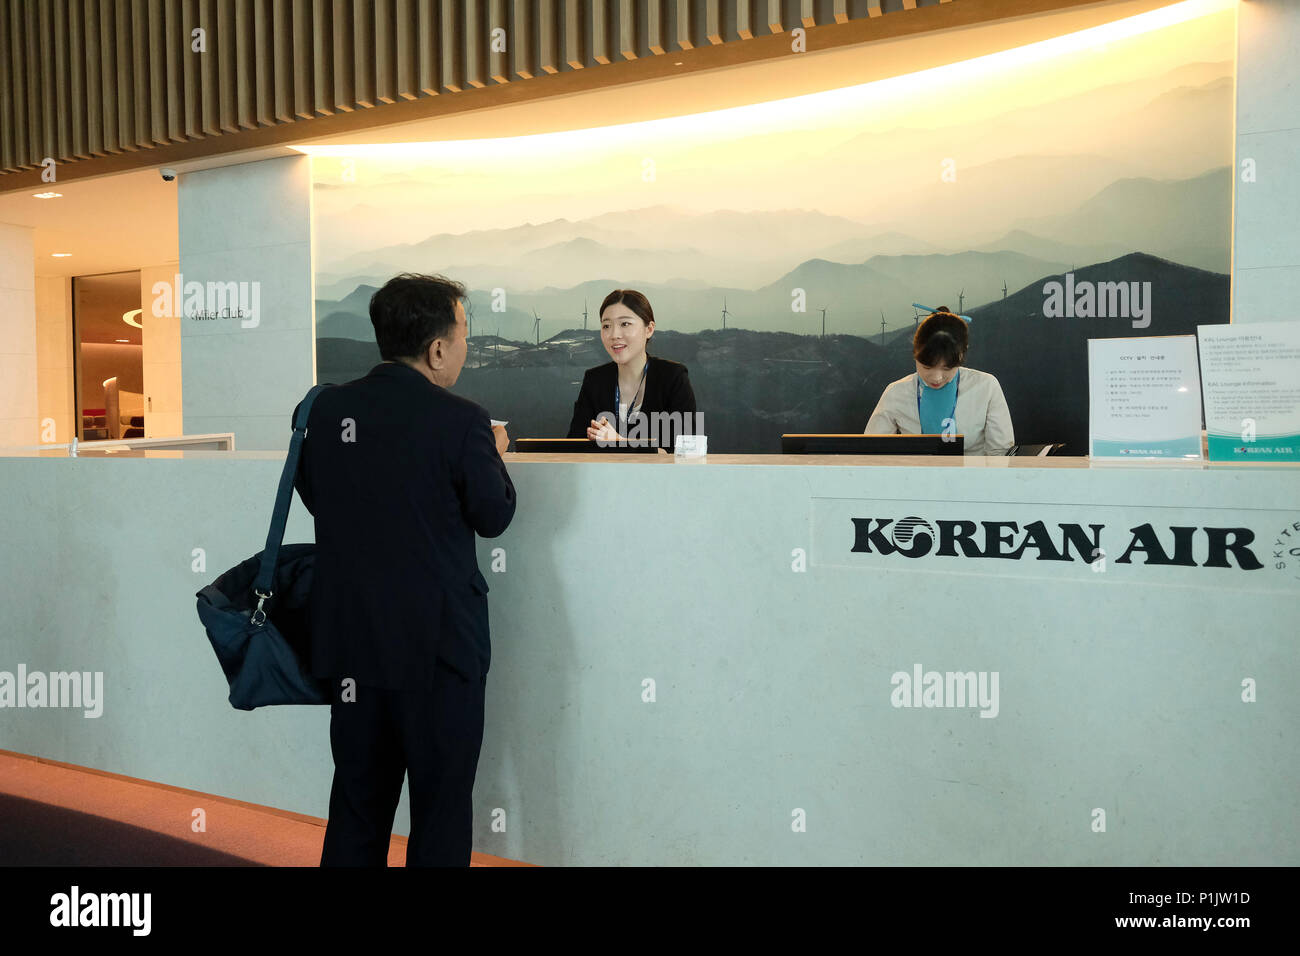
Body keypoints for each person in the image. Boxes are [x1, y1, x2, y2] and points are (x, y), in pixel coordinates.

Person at [291, 273, 516, 867]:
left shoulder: (323, 409)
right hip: (439, 651)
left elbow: (320, 498)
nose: (466, 345)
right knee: (440, 811)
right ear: (438, 348)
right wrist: (492, 453)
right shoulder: (463, 421)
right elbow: (493, 517)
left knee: (357, 806)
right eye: (464, 330)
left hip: (352, 646)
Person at [865, 307, 1014, 455]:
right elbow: (870, 451)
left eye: (947, 369)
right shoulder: (896, 392)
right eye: (927, 367)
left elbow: (1000, 454)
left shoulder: (985, 387)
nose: (936, 378)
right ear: (915, 355)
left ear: (962, 356)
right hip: (916, 475)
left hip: (974, 475)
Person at [566, 289, 698, 450]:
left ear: (649, 329)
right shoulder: (595, 380)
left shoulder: (673, 377)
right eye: (606, 326)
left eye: (625, 324)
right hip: (603, 475)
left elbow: (684, 452)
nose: (614, 334)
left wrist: (620, 442)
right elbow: (574, 448)